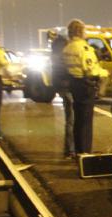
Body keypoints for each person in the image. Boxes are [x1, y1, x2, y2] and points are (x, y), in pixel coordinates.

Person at [63, 19, 108, 156]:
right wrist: (104, 73)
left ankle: (78, 150)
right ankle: (85, 151)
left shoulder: (67, 48)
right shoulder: (84, 48)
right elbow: (91, 70)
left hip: (74, 84)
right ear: (80, 31)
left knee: (78, 119)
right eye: (85, 30)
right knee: (86, 121)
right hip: (86, 85)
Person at [48, 29, 75, 158]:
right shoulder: (65, 56)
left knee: (70, 118)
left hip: (62, 87)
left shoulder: (54, 55)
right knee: (72, 119)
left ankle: (69, 149)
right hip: (68, 87)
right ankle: (70, 149)